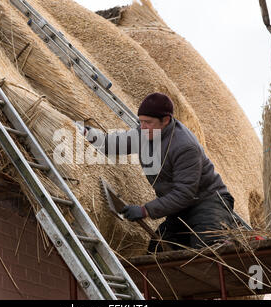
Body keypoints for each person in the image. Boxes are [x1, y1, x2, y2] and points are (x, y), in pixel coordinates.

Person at [84, 93, 235, 252]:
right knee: (158, 251)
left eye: (148, 122)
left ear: (166, 121)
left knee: (210, 249)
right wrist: (87, 133)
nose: (143, 127)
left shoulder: (185, 146)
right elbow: (112, 144)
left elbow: (184, 193)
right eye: (140, 122)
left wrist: (145, 210)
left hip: (208, 203)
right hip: (180, 209)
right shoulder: (143, 133)